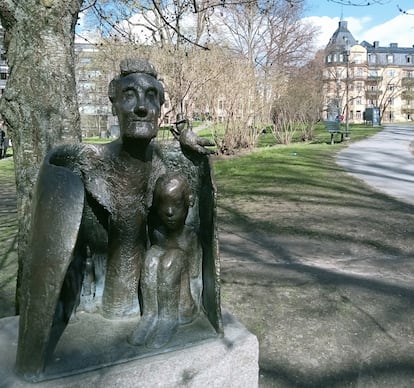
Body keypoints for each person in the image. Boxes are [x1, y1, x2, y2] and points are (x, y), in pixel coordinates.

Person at [15, 58, 216, 381]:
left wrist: (191, 153)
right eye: (129, 96)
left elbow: (195, 213)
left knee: (161, 263)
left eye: (151, 96)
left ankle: (162, 318)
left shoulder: (167, 166)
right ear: (113, 104)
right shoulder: (83, 164)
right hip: (103, 299)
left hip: (167, 295)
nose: (141, 107)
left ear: (161, 108)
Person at [128, 173, 202, 349]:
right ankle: (150, 315)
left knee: (172, 258)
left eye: (176, 204)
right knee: (151, 257)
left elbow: (194, 278)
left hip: (184, 304)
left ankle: (168, 320)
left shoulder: (190, 238)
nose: (169, 212)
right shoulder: (157, 233)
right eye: (164, 205)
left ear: (188, 202)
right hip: (160, 300)